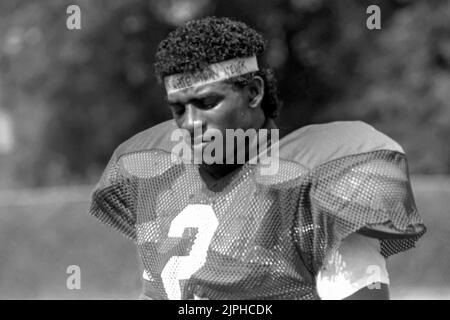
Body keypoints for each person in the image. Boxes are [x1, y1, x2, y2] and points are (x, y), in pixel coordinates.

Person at [88, 16, 426, 300]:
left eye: (208, 103)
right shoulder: (157, 173)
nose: (190, 124)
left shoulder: (316, 180)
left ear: (253, 92)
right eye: (178, 109)